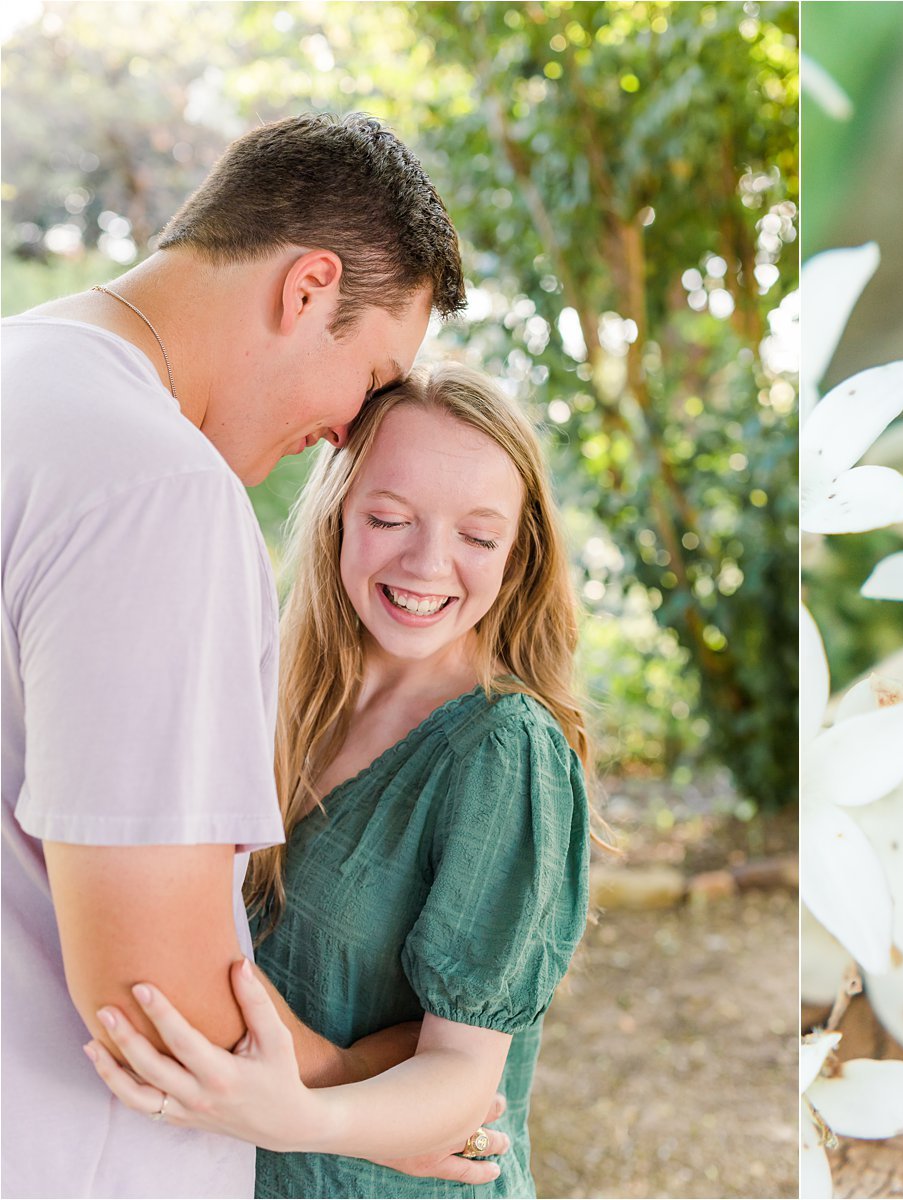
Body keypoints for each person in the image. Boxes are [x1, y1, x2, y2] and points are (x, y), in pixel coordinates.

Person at [0, 112, 493, 1197]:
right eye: (370, 378)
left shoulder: (20, 382)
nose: (346, 432)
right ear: (307, 286)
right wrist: (359, 1101)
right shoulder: (158, 489)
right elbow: (149, 992)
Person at [82, 364, 593, 1199]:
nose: (429, 564)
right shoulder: (278, 690)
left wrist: (299, 1116)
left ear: (519, 551)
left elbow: (466, 1079)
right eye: (391, 518)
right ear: (339, 516)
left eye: (478, 536)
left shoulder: (504, 751)